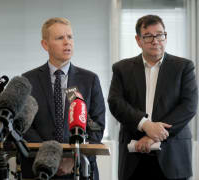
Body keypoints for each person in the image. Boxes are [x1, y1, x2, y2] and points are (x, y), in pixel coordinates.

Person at [108, 15, 198, 180]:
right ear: (138, 40)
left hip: (173, 156)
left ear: (165, 36)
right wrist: (145, 124)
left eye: (160, 35)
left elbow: (189, 106)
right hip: (133, 156)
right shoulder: (122, 68)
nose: (155, 40)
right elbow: (116, 103)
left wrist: (153, 135)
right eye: (148, 36)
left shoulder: (183, 67)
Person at [21, 17, 105, 179]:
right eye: (60, 38)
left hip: (80, 168)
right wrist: (49, 157)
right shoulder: (28, 80)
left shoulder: (89, 79)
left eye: (70, 37)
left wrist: (73, 159)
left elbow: (97, 125)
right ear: (45, 45)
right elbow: (25, 126)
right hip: (39, 167)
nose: (67, 42)